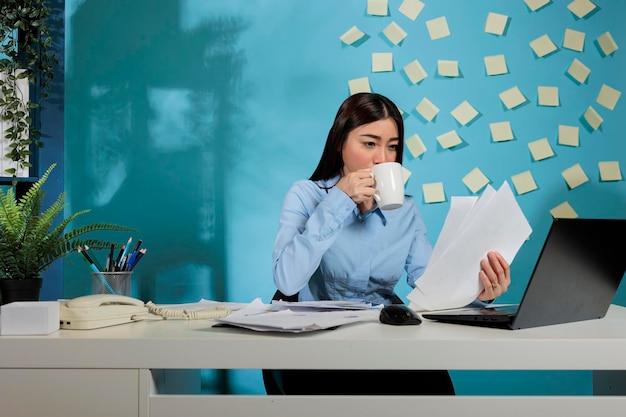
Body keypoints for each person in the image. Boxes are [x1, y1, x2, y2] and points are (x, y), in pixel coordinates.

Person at [264, 92, 510, 395]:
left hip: (386, 343)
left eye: (392, 147)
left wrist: (479, 291)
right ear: (340, 143)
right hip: (319, 347)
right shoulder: (305, 195)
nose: (382, 158)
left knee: (436, 391)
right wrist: (339, 201)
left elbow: (433, 287)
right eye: (369, 144)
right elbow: (287, 281)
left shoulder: (405, 210)